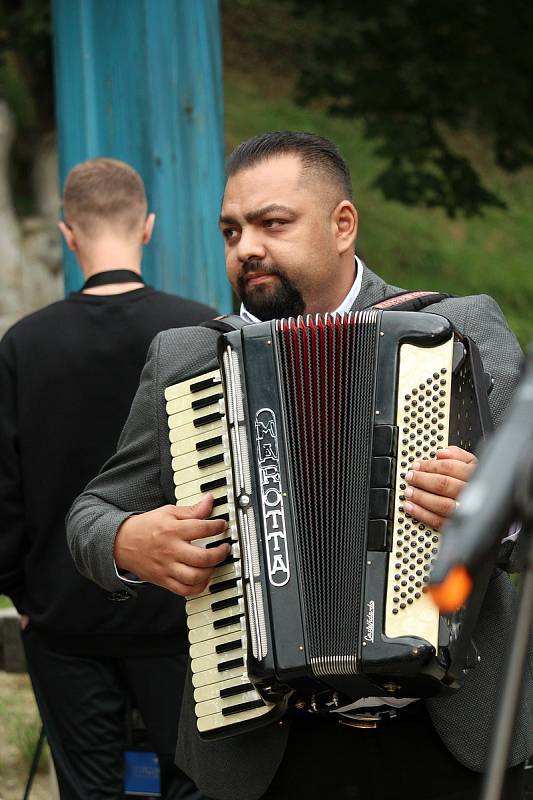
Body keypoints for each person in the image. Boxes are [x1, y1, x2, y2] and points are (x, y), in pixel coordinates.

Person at [66, 135, 532, 800]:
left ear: (342, 225)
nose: (246, 245)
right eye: (231, 229)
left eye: (272, 223)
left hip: (448, 741)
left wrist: (492, 507)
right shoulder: (190, 361)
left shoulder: (454, 327)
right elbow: (91, 513)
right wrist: (125, 542)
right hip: (268, 748)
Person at [0, 157, 218, 800]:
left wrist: (23, 597)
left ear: (68, 234)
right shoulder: (197, 330)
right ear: (147, 226)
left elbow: (4, 497)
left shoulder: (23, 344)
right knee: (191, 784)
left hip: (62, 622)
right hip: (184, 613)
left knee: (90, 790)